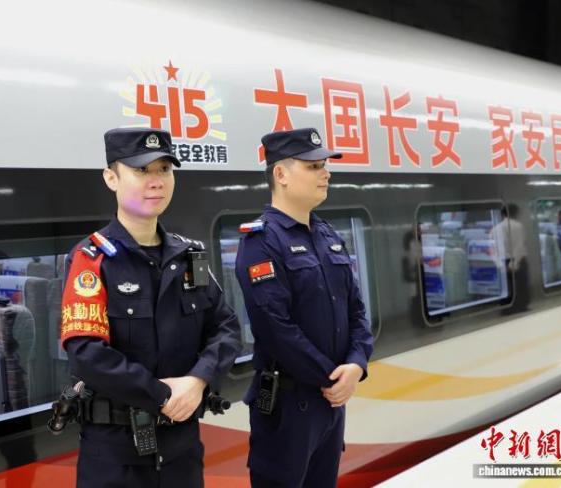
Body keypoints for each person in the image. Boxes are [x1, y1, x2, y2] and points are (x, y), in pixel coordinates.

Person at [60, 128, 241, 487]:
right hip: (115, 457)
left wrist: (198, 380)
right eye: (142, 170)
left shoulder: (190, 256)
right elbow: (85, 352)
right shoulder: (91, 259)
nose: (156, 180)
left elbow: (226, 328)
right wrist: (162, 395)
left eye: (164, 169)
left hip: (183, 449)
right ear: (111, 178)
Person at [234, 128, 374, 487]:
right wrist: (333, 378)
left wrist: (357, 364)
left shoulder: (328, 236)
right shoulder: (261, 242)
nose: (326, 173)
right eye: (313, 166)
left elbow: (357, 311)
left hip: (330, 403)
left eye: (324, 165)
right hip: (288, 407)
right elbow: (275, 328)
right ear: (281, 174)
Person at [494, 203, 529, 312]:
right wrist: (514, 264)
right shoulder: (518, 226)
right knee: (520, 287)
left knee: (507, 288)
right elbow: (519, 246)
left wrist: (500, 265)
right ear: (515, 213)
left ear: (502, 214)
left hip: (504, 261)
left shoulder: (496, 228)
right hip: (518, 261)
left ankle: (506, 309)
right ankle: (520, 308)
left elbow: (495, 248)